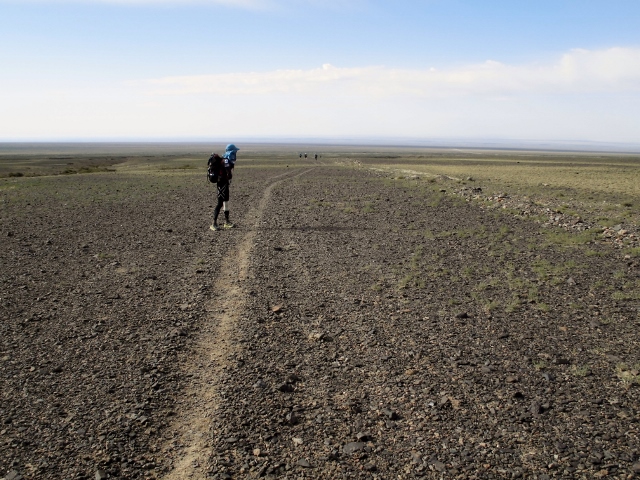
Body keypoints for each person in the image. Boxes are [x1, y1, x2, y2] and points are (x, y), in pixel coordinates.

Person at [210, 144, 239, 231]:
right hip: (221, 184)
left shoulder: (225, 160)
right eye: (234, 152)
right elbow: (228, 173)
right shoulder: (226, 161)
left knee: (226, 201)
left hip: (225, 183)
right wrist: (229, 175)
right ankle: (213, 223)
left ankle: (227, 222)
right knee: (220, 203)